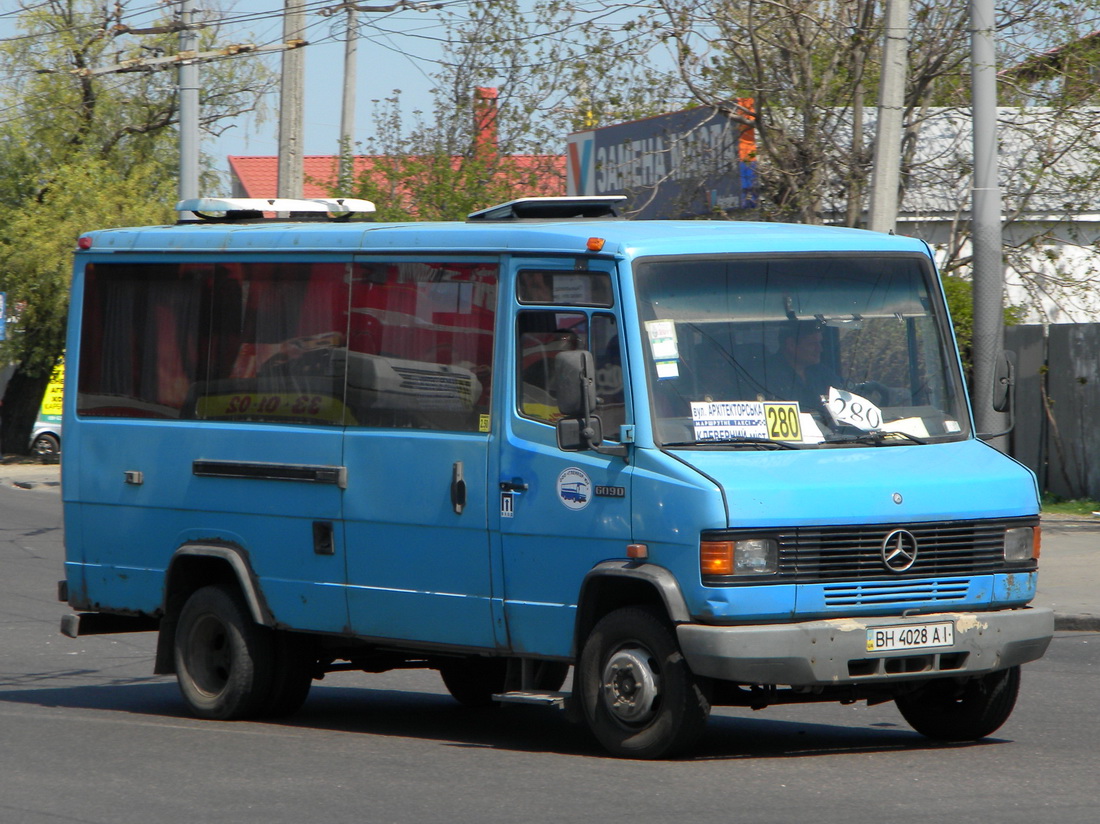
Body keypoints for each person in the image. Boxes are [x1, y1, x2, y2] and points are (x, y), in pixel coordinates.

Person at [765, 320, 844, 409]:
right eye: (812, 344)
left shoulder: (823, 374)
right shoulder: (766, 376)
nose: (819, 349)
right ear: (791, 345)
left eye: (819, 343)